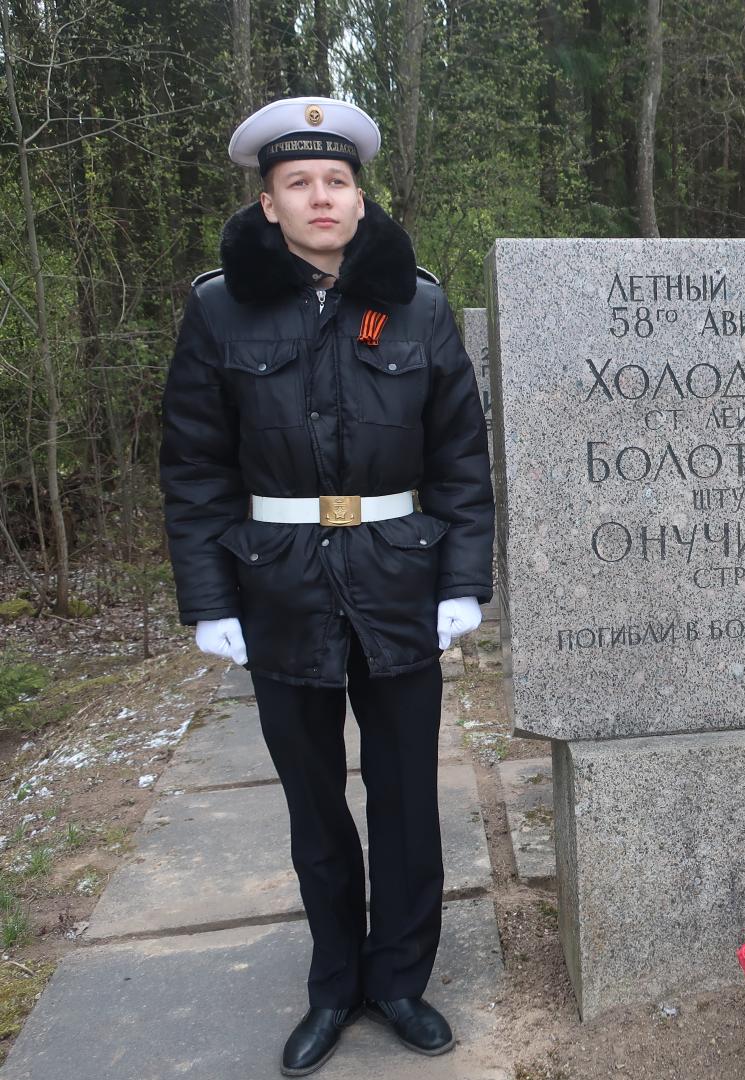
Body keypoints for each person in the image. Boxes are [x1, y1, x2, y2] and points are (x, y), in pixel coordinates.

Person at [160, 97, 493, 1074]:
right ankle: (334, 983)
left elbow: (463, 463)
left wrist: (462, 581)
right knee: (315, 806)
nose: (320, 197)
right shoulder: (220, 309)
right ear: (268, 203)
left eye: (337, 181)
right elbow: (194, 469)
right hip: (280, 590)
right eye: (299, 183)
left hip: (398, 581)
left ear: (359, 197)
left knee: (403, 799)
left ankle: (399, 981)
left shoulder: (419, 305)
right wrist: (210, 600)